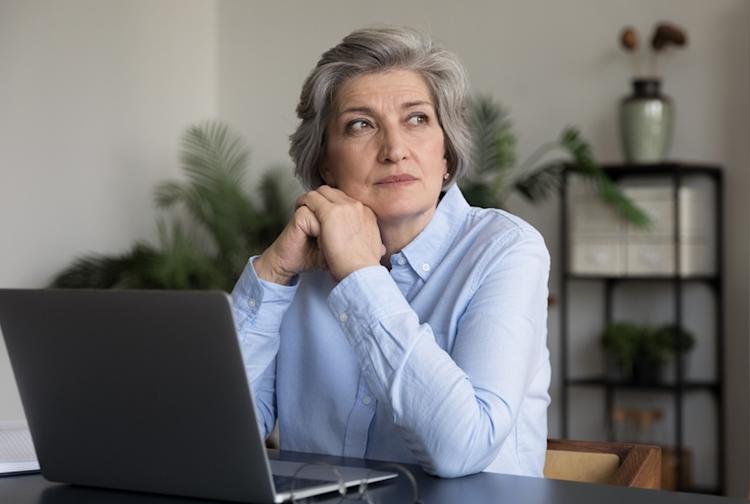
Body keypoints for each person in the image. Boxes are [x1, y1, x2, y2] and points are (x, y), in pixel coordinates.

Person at [230, 25, 551, 478]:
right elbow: (217, 432)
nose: (394, 149)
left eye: (417, 119)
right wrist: (273, 273)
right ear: (325, 162)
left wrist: (360, 278)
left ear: (446, 152)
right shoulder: (299, 263)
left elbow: (463, 447)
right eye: (361, 125)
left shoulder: (506, 250)